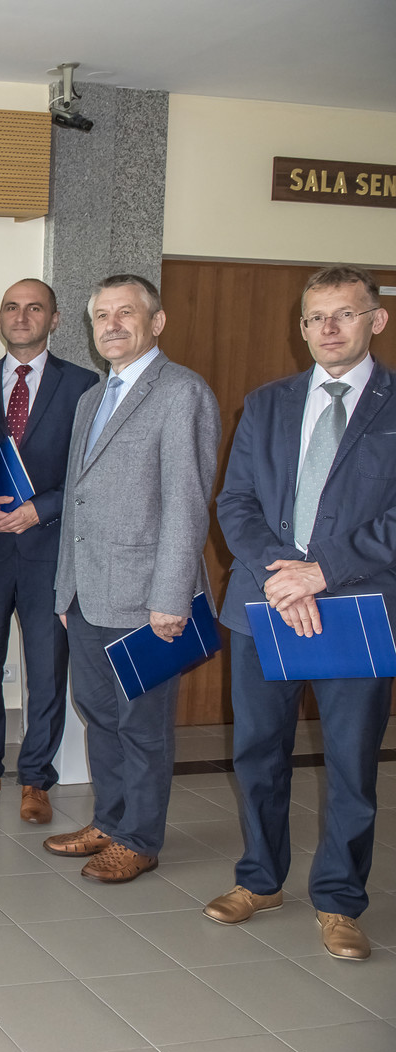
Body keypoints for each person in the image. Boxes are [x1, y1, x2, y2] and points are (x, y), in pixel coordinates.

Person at [204, 264, 392, 958]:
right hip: (265, 604)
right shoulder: (267, 403)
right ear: (302, 327)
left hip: (356, 609)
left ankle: (340, 900)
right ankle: (259, 879)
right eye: (315, 317)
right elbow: (236, 503)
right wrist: (285, 573)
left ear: (376, 320)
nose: (328, 328)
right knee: (258, 753)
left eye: (344, 314)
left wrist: (324, 571)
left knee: (351, 763)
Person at [47, 273, 219, 883]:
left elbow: (187, 505)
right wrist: (65, 587)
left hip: (148, 597)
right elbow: (76, 502)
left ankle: (139, 839)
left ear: (157, 322)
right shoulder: (92, 399)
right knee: (98, 712)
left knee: (142, 725)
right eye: (102, 315)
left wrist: (172, 598)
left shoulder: (182, 392)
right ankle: (111, 820)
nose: (112, 325)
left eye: (126, 312)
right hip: (88, 593)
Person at [0, 279, 96, 824]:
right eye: (12, 307)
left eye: (35, 308)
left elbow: (90, 471)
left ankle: (36, 779)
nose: (22, 316)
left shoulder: (85, 386)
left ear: (55, 319)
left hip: (49, 552)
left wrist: (41, 509)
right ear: (0, 318)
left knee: (47, 669)